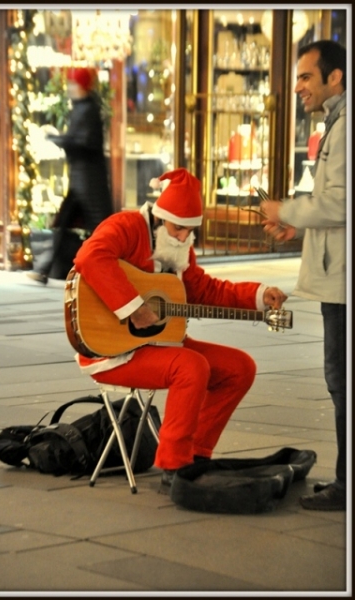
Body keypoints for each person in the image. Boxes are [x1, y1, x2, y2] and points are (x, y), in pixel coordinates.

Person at [72, 167, 288, 494]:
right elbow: (89, 257)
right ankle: (173, 465)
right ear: (159, 217)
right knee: (191, 366)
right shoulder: (127, 226)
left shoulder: (178, 247)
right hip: (110, 350)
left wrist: (258, 295)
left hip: (159, 343)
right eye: (178, 228)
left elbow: (204, 291)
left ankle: (196, 456)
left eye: (190, 231)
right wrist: (133, 307)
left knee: (239, 368)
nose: (184, 238)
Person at [260, 40, 346, 511]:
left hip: (345, 281)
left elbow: (338, 202)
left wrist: (286, 208)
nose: (297, 88)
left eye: (306, 77)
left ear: (335, 77)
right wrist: (297, 225)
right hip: (340, 274)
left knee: (342, 379)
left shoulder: (346, 124)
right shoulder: (338, 122)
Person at [27, 66, 113, 284]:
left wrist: (56, 139)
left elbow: (83, 143)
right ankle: (45, 269)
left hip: (90, 184)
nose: (70, 89)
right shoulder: (83, 108)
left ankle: (110, 270)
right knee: (66, 225)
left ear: (82, 86)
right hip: (82, 182)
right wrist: (61, 139)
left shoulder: (88, 110)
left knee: (99, 230)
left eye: (74, 84)